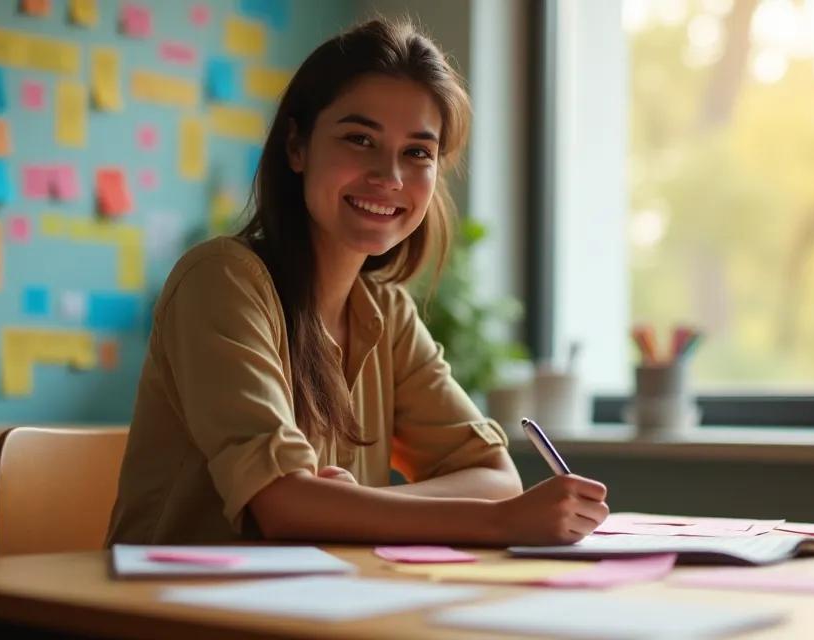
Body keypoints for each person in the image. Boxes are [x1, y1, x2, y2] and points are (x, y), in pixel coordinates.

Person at [106, 18, 608, 547]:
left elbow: (494, 474)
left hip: (315, 607)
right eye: (359, 139)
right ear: (297, 147)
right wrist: (500, 524)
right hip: (174, 612)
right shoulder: (221, 280)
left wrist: (348, 507)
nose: (389, 175)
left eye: (417, 152)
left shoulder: (385, 312)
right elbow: (281, 506)